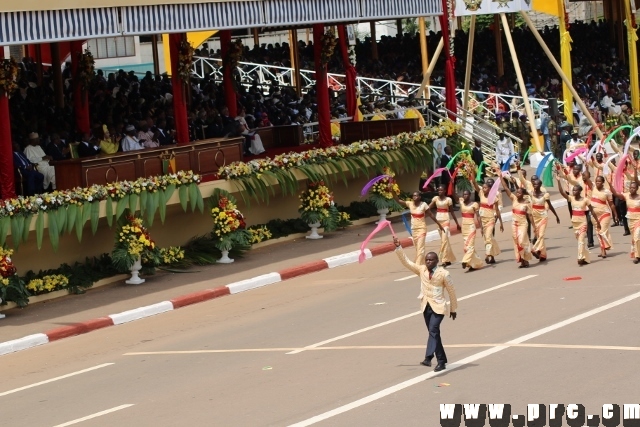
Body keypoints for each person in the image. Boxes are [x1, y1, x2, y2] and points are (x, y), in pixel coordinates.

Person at [392, 240, 457, 372]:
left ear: (436, 261)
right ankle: (442, 361)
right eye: (427, 260)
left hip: (439, 307)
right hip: (426, 306)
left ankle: (428, 358)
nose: (428, 262)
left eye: (431, 260)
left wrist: (453, 308)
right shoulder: (421, 270)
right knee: (434, 334)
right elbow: (407, 263)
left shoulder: (443, 273)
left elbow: (451, 291)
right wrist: (399, 248)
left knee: (433, 329)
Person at [557, 181, 601, 266]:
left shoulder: (585, 200)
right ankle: (586, 258)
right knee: (580, 241)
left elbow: (592, 211)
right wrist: (558, 181)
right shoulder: (571, 199)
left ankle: (580, 258)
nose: (573, 192)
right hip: (575, 223)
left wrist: (597, 222)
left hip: (583, 223)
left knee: (581, 241)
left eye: (575, 190)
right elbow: (562, 192)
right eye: (573, 190)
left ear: (579, 191)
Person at [395, 191, 443, 265]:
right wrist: (392, 191)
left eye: (416, 196)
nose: (414, 197)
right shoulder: (410, 203)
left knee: (420, 248)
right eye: (413, 196)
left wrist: (439, 224)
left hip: (422, 229)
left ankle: (417, 265)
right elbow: (398, 200)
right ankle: (423, 263)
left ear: (420, 197)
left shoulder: (423, 205)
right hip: (414, 229)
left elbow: (431, 214)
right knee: (418, 248)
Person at [501, 177, 536, 268]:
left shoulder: (526, 203)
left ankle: (526, 259)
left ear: (523, 194)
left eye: (519, 193)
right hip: (514, 224)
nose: (517, 194)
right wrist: (500, 177)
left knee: (522, 242)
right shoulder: (514, 199)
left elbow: (530, 216)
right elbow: (506, 188)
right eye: (517, 192)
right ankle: (522, 261)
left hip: (523, 224)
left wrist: (534, 227)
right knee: (517, 243)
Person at [608, 169, 640, 263]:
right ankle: (638, 253)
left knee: (637, 236)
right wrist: (610, 185)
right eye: (630, 188)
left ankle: (637, 256)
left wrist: (634, 171)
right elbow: (616, 194)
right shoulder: (626, 195)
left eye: (634, 188)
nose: (632, 189)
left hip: (639, 219)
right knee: (634, 238)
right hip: (631, 219)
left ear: (637, 188)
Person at [471, 175, 503, 264]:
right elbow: (474, 184)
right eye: (483, 187)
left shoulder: (495, 197)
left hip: (491, 219)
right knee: (488, 238)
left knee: (488, 237)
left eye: (486, 188)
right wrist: (471, 173)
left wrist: (500, 222)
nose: (484, 189)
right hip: (483, 220)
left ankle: (487, 254)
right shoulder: (481, 193)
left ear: (490, 189)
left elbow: (498, 209)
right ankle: (492, 256)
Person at [427, 185, 459, 267]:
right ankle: (448, 259)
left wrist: (457, 223)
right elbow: (428, 208)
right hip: (438, 221)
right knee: (445, 241)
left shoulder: (448, 200)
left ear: (445, 191)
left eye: (441, 190)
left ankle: (443, 259)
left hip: (446, 221)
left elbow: (452, 212)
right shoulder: (435, 199)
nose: (440, 192)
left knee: (444, 240)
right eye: (439, 190)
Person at [530, 178, 560, 262]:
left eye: (536, 184)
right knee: (539, 235)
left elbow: (550, 205)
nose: (534, 186)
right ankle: (543, 255)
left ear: (540, 185)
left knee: (541, 235)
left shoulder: (545, 195)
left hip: (543, 216)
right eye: (534, 184)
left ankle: (534, 249)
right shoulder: (531, 193)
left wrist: (556, 216)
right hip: (535, 217)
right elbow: (521, 190)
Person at [588, 175, 617, 258]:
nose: (597, 183)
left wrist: (615, 215)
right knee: (598, 233)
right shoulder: (593, 188)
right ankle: (603, 250)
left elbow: (611, 204)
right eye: (596, 181)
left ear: (603, 182)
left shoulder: (607, 192)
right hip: (594, 215)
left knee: (602, 231)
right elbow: (586, 178)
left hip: (605, 214)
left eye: (599, 181)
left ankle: (607, 246)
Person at [458, 190, 484, 271]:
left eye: (466, 194)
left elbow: (478, 216)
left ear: (470, 195)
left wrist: (481, 227)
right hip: (464, 227)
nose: (465, 195)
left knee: (470, 246)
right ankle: (475, 264)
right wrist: (451, 183)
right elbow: (453, 195)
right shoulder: (461, 202)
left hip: (471, 227)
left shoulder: (475, 204)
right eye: (464, 194)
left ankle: (465, 261)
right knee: (466, 247)